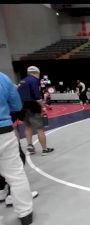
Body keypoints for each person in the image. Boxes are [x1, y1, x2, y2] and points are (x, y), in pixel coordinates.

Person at [0, 71, 34, 225]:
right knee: (16, 175)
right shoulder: (2, 78)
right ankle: (25, 214)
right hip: (3, 131)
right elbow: (17, 105)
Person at [18, 66, 54, 155]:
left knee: (27, 127)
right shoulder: (34, 80)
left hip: (23, 107)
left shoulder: (22, 81)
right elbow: (37, 97)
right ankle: (44, 149)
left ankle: (30, 145)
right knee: (40, 129)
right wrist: (43, 107)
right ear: (36, 73)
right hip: (33, 107)